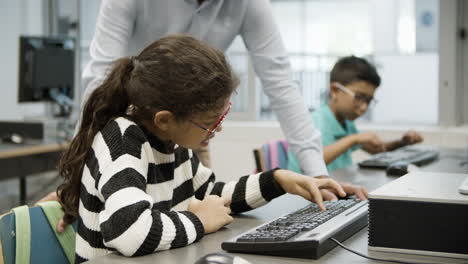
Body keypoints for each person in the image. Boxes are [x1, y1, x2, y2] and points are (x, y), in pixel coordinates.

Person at [58, 35, 361, 263]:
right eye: (209, 123)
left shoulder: (172, 144)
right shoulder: (123, 140)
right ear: (165, 119)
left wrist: (279, 180)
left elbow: (211, 194)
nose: (218, 130)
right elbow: (128, 232)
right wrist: (201, 221)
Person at [81, 0, 328, 177]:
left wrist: (317, 176)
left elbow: (281, 82)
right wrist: (81, 173)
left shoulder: (249, 5)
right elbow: (100, 79)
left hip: (190, 131)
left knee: (204, 202)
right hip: (133, 128)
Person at [287, 56, 423, 173]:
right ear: (335, 90)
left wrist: (402, 142)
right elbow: (309, 164)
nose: (364, 107)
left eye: (369, 100)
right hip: (301, 200)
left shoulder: (346, 123)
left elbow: (377, 150)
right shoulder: (314, 122)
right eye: (359, 97)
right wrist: (354, 139)